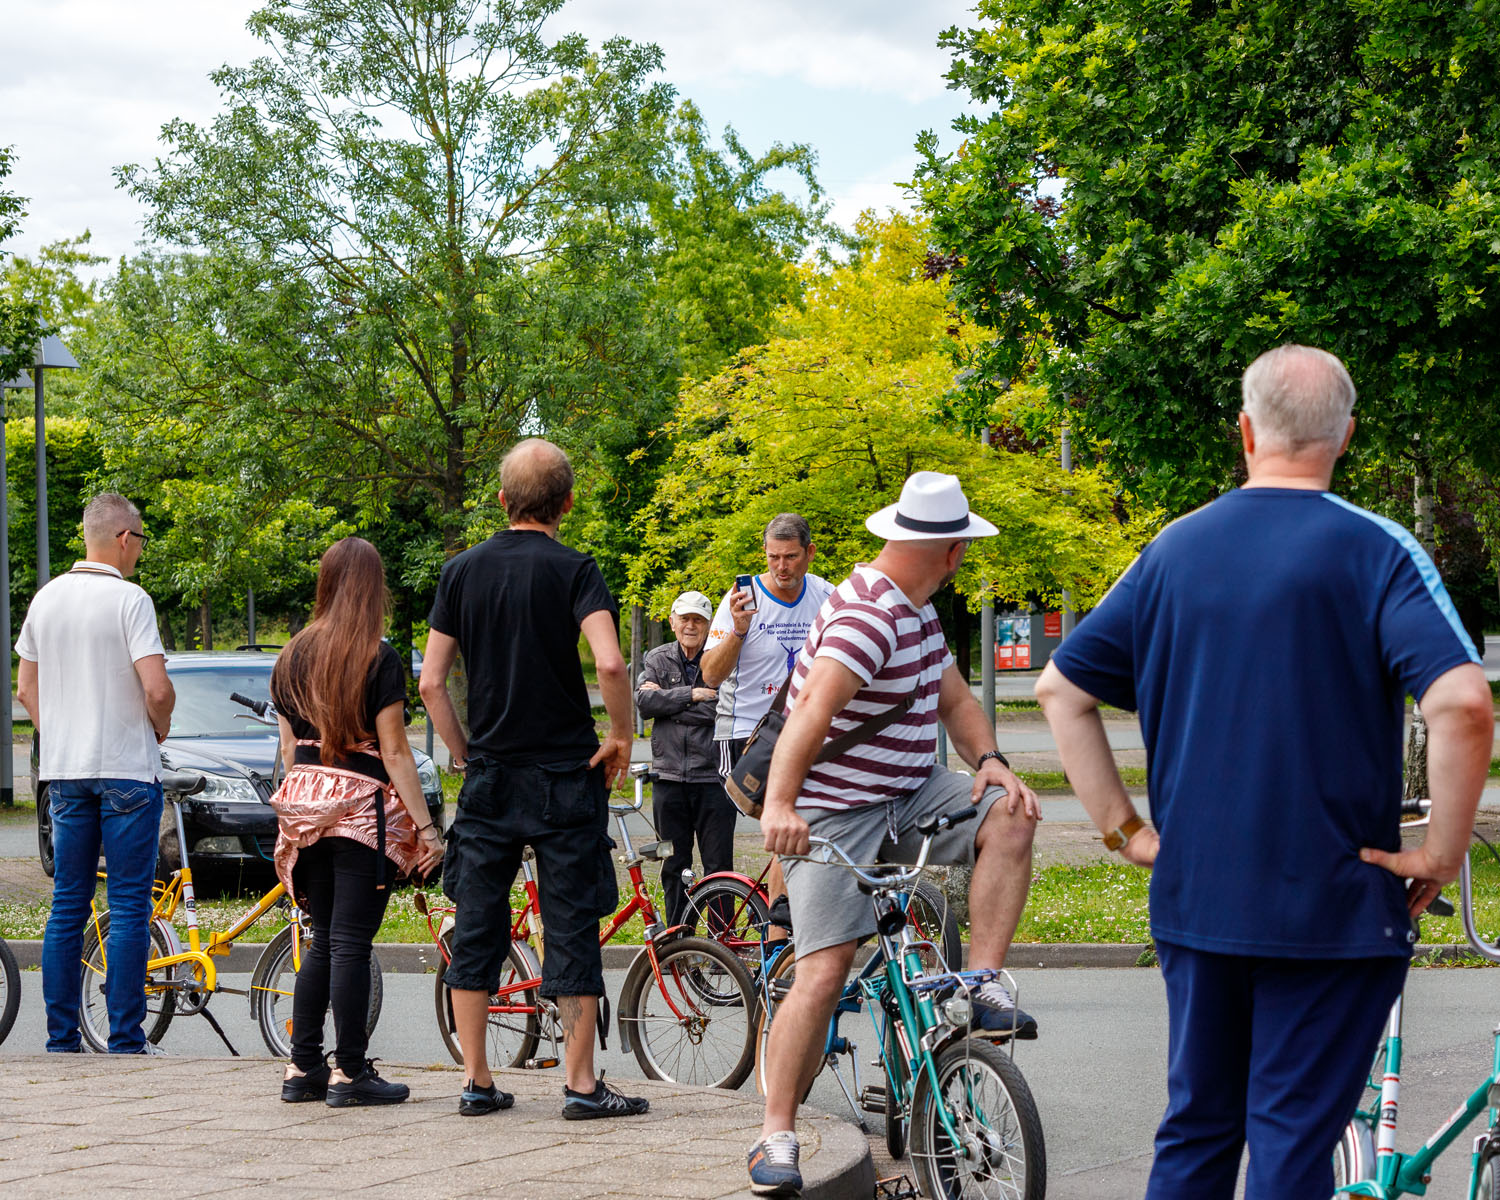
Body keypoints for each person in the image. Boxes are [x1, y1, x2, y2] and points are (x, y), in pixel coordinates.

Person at [1035, 344, 1494, 1200]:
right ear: (1346, 436)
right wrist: (1438, 853)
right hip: (1332, 906)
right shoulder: (1379, 551)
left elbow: (1060, 688)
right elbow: (1465, 703)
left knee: (1197, 1132)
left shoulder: (1172, 551)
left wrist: (1127, 833)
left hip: (1197, 897)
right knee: (1291, 1141)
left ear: (1244, 431)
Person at [748, 472, 1042, 1198]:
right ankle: (775, 1132)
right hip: (836, 809)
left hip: (909, 794)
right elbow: (812, 707)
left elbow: (956, 700)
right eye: (962, 546)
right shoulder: (866, 614)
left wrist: (995, 764)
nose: (965, 557)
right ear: (947, 551)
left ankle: (976, 987)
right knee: (823, 969)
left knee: (1012, 813)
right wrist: (780, 805)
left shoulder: (916, 612)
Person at [419, 438, 648, 1121]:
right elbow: (610, 665)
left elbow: (431, 681)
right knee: (571, 924)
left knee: (478, 923)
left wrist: (462, 749)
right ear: (567, 504)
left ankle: (478, 1081)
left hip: (491, 775)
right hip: (565, 776)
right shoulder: (577, 570)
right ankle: (580, 1086)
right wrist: (621, 737)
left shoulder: (460, 572)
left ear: (501, 501)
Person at [270, 537, 444, 1106]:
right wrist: (425, 828)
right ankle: (349, 1073)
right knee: (348, 942)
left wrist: (299, 808)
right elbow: (394, 751)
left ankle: (302, 1069)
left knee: (322, 938)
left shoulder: (292, 653)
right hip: (360, 811)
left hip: (303, 808)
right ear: (372, 589)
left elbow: (290, 748)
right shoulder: (377, 656)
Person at [16, 493, 174, 1054]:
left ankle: (61, 1039)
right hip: (127, 769)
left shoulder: (46, 600)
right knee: (129, 904)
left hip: (65, 771)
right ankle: (125, 1039)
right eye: (141, 541)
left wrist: (58, 729)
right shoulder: (130, 601)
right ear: (125, 538)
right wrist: (161, 724)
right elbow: (155, 688)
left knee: (67, 901)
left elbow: (25, 689)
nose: (140, 553)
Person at [702, 513, 834, 939]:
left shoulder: (827, 596)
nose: (781, 567)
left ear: (809, 554)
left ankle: (795, 929)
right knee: (788, 823)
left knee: (816, 824)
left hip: (800, 732)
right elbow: (709, 675)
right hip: (745, 736)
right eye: (773, 557)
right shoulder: (740, 599)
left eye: (791, 557)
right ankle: (779, 947)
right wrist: (738, 632)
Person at [636, 590, 731, 926]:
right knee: (674, 864)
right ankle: (678, 936)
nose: (691, 626)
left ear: (708, 626)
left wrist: (669, 704)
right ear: (673, 622)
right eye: (685, 619)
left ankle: (724, 942)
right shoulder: (657, 658)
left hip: (713, 778)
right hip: (669, 779)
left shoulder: (721, 658)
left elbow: (721, 709)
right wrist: (691, 694)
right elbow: (644, 705)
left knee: (719, 866)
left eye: (699, 620)